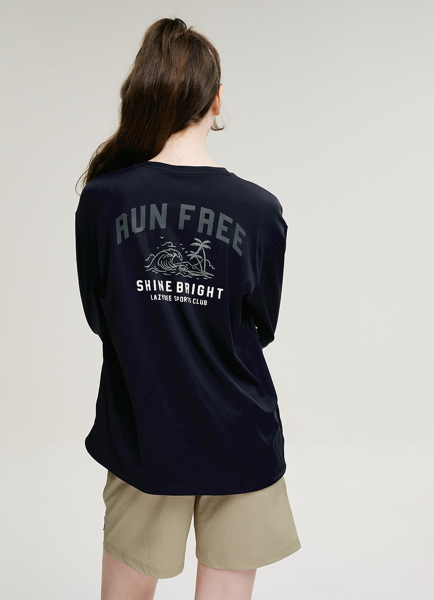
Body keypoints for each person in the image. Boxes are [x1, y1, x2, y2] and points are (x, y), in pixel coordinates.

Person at [75, 17, 301, 600]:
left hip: (143, 432)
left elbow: (101, 315)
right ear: (216, 99)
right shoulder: (259, 211)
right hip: (239, 436)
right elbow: (261, 324)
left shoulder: (102, 200)